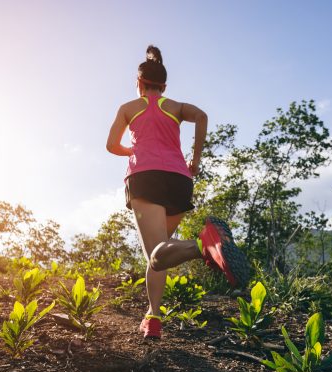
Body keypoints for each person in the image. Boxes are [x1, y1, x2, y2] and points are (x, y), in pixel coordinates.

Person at [106, 45, 250, 339]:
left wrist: (132, 150)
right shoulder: (175, 107)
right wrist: (195, 161)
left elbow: (111, 145)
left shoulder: (129, 108)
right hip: (179, 180)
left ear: (138, 83)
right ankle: (153, 318)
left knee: (157, 254)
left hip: (145, 178)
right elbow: (202, 116)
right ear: (164, 86)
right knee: (160, 252)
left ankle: (204, 245)